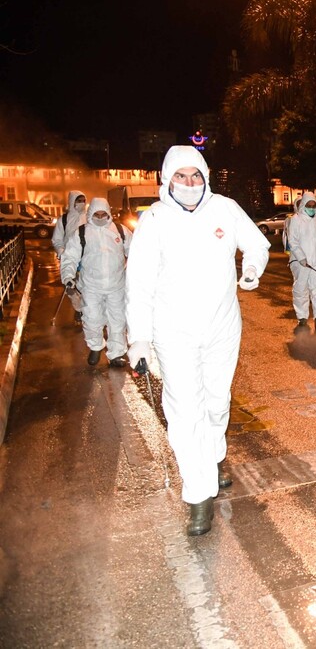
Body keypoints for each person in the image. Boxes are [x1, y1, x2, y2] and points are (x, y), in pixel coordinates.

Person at [126, 145, 270, 537]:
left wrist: (253, 266)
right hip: (174, 333)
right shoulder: (154, 221)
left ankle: (215, 456)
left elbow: (256, 242)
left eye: (195, 176)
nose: (189, 184)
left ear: (205, 177)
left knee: (216, 403)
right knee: (185, 411)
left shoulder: (224, 208)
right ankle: (198, 496)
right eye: (180, 176)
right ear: (167, 180)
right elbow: (138, 284)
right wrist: (138, 339)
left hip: (223, 328)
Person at [59, 198, 132, 366]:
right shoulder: (82, 233)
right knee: (92, 318)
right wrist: (68, 277)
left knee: (118, 320)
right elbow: (69, 257)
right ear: (91, 213)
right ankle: (95, 346)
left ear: (108, 213)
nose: (100, 217)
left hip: (117, 285)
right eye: (96, 214)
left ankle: (116, 354)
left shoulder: (120, 231)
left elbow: (136, 253)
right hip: (91, 286)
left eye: (103, 214)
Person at [285, 192, 316, 331]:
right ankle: (302, 318)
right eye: (309, 205)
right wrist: (301, 257)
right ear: (304, 205)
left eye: (314, 205)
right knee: (301, 289)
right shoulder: (296, 219)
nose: (312, 207)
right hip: (300, 262)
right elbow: (292, 241)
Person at [53, 190, 88, 324]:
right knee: (70, 287)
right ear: (72, 202)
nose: (81, 204)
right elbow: (57, 239)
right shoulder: (64, 219)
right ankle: (78, 309)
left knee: (87, 286)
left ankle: (87, 311)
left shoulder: (89, 217)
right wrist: (62, 252)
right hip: (70, 257)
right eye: (78, 201)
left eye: (83, 201)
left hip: (87, 258)